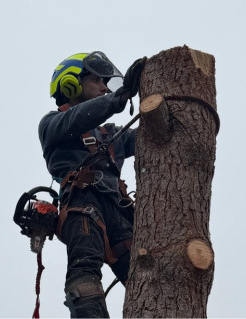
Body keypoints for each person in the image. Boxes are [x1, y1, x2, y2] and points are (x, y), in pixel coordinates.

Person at [38, 51, 145, 318]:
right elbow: (77, 119)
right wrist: (116, 99)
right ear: (71, 84)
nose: (103, 87)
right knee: (85, 279)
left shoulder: (109, 134)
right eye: (97, 80)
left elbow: (147, 138)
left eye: (106, 83)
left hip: (119, 210)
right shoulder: (52, 124)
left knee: (146, 275)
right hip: (82, 206)